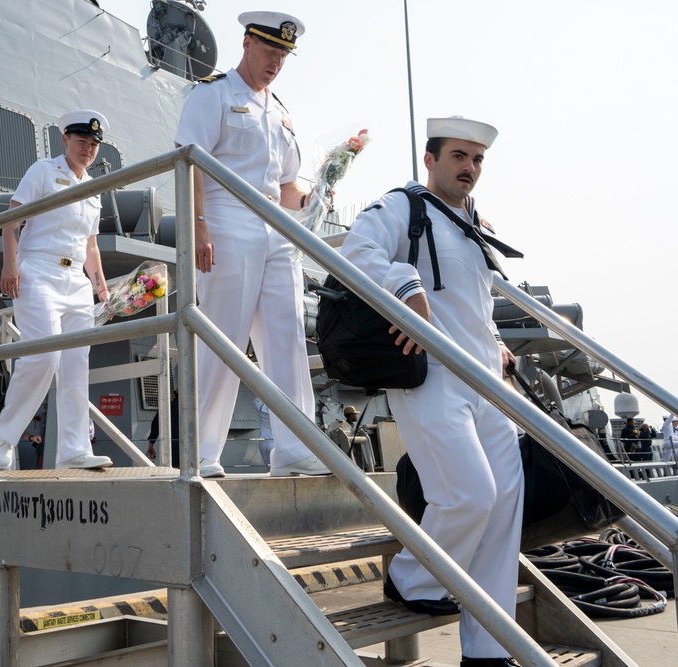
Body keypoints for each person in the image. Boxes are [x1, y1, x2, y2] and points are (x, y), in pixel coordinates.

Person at [339, 116, 524, 667]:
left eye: (477, 160)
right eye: (459, 156)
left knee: (503, 512)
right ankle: (412, 579)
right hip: (431, 375)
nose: (469, 168)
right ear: (431, 160)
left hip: (487, 379)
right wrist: (405, 288)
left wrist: (498, 346)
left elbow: (472, 302)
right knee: (470, 494)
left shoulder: (474, 222)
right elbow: (356, 250)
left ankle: (489, 651)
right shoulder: (405, 206)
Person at [174, 11, 328, 479]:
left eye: (284, 54)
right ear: (246, 43)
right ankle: (200, 450)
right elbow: (191, 162)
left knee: (286, 338)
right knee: (225, 338)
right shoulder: (214, 93)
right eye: (270, 50)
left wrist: (318, 190)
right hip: (226, 220)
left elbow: (285, 185)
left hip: (275, 230)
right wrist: (197, 226)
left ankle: (294, 448)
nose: (276, 61)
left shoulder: (279, 109)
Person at [0, 110, 113, 470]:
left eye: (93, 145)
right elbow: (11, 221)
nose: (87, 150)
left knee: (77, 365)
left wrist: (101, 286)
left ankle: (74, 449)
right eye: (81, 142)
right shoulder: (43, 171)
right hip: (39, 271)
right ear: (65, 139)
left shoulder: (93, 189)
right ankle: (2, 438)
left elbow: (90, 245)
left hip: (76, 280)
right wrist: (9, 265)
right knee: (43, 356)